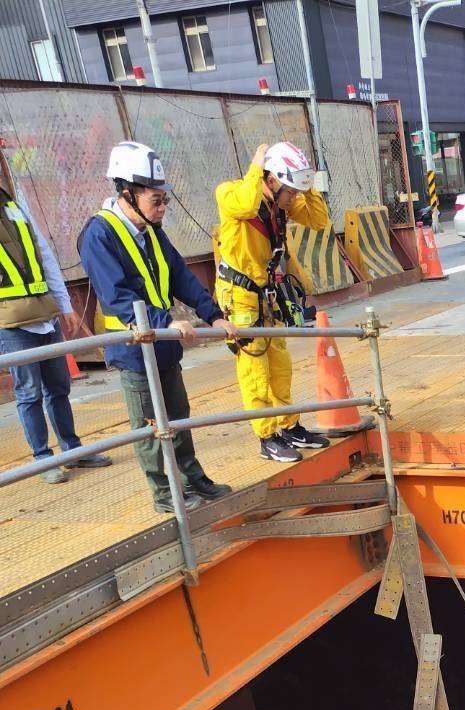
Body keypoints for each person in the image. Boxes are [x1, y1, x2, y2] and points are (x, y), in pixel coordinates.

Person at [78, 143, 233, 514]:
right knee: (150, 424)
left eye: (165, 200)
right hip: (134, 349)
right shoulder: (99, 235)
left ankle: (193, 477)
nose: (162, 208)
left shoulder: (151, 231)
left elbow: (179, 275)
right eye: (156, 199)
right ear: (127, 192)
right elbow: (116, 295)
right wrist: (166, 322)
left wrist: (213, 314)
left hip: (163, 346)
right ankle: (165, 491)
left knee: (178, 416)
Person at [215, 142, 331, 464]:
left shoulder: (280, 204)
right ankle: (267, 437)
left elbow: (318, 220)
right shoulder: (231, 193)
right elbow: (246, 205)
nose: (294, 199)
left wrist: (305, 187)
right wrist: (257, 167)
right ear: (271, 179)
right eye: (290, 191)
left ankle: (289, 424)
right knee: (255, 367)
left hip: (266, 292)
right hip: (239, 295)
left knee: (280, 364)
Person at [0, 183, 111, 484]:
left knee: (58, 387)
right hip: (11, 323)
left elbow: (44, 255)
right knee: (28, 393)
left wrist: (64, 305)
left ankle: (72, 451)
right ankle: (43, 460)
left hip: (44, 313)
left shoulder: (13, 203)